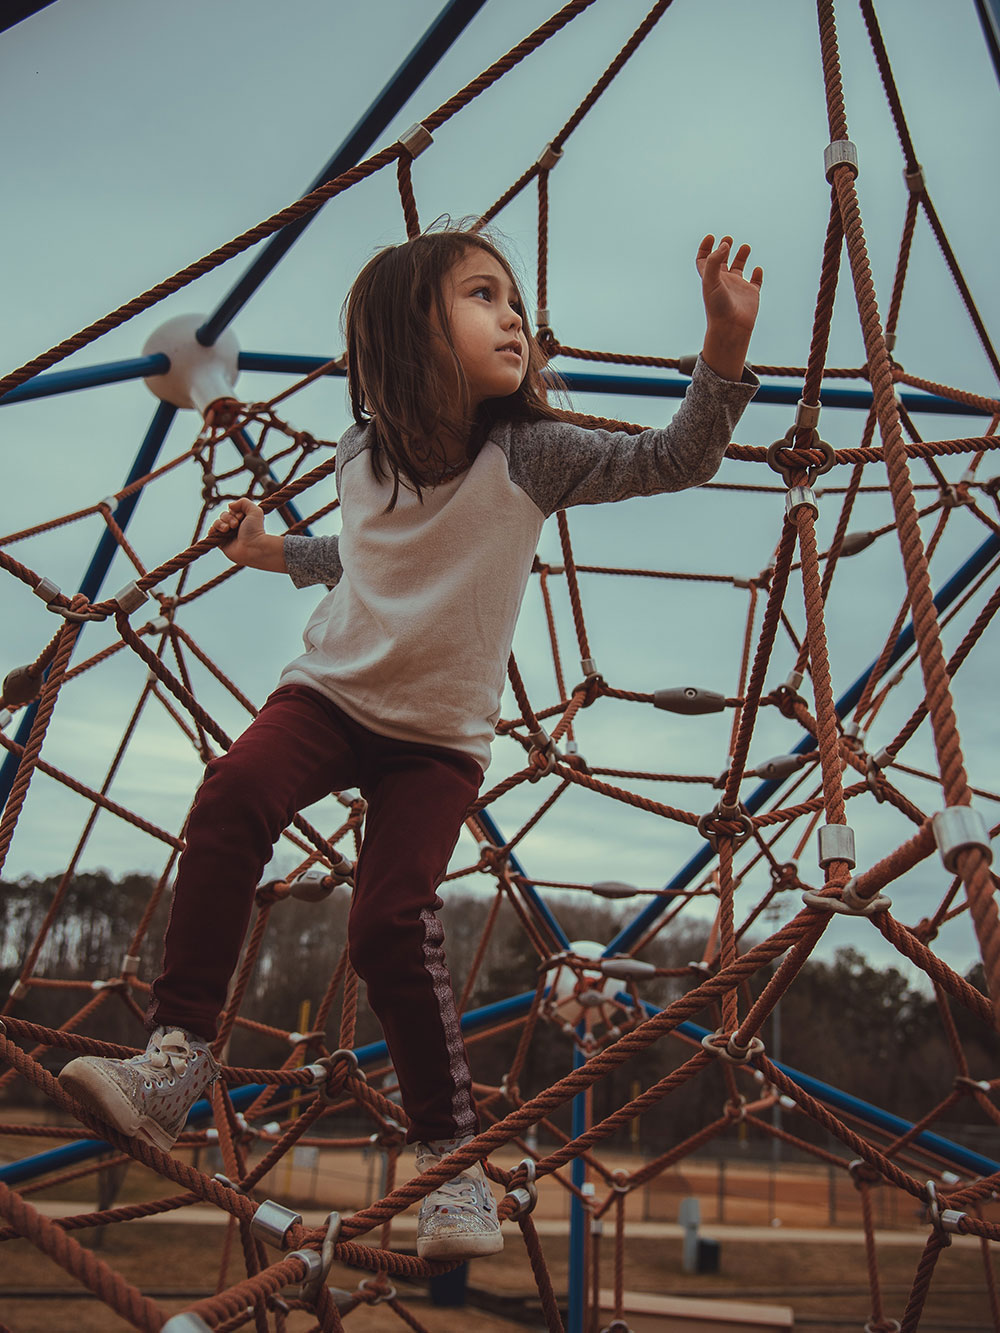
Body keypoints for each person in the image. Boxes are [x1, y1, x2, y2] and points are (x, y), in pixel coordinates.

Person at [60, 225, 762, 1260]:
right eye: (483, 295)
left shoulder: (532, 452)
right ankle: (178, 1057)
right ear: (406, 330)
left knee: (390, 922)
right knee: (233, 792)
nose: (513, 316)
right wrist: (270, 551)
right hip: (332, 692)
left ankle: (450, 1161)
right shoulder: (360, 453)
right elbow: (363, 550)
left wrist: (724, 348)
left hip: (436, 738)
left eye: (514, 300)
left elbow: (673, 459)